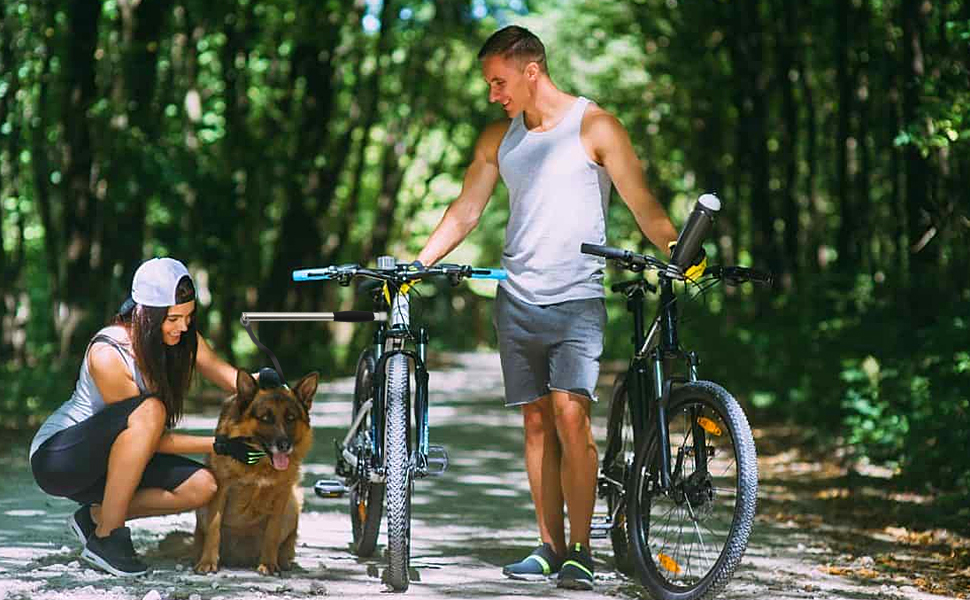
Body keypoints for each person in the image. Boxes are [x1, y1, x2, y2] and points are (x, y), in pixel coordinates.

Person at [415, 26, 679, 590]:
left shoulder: (596, 127)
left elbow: (642, 203)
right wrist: (419, 264)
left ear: (530, 70)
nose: (493, 94)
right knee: (536, 423)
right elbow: (464, 212)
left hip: (577, 299)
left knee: (570, 415)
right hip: (517, 299)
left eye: (499, 81)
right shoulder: (498, 139)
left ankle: (581, 549)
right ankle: (550, 545)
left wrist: (684, 251)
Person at [29, 257, 263, 577]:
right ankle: (107, 538)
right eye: (173, 318)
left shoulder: (184, 340)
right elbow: (149, 435)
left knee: (203, 486)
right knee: (152, 409)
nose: (183, 326)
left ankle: (95, 517)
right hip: (60, 459)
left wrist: (272, 387)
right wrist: (221, 444)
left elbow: (231, 378)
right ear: (147, 316)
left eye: (189, 317)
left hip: (118, 460)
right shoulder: (109, 352)